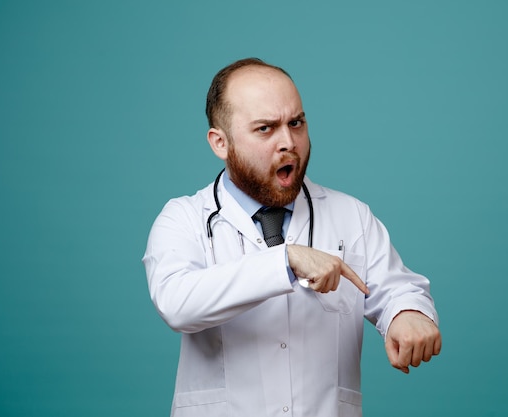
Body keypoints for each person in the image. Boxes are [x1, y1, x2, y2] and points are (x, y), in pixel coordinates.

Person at [142, 57, 441, 417]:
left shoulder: (351, 216)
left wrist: (407, 313)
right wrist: (285, 259)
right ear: (220, 143)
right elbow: (177, 302)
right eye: (265, 129)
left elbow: (397, 288)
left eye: (296, 123)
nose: (289, 142)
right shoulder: (184, 218)